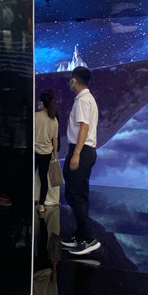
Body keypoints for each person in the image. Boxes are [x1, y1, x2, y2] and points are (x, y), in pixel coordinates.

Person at [61, 66, 100, 256]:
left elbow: (84, 127)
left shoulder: (83, 100)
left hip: (81, 150)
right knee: (78, 194)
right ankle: (80, 235)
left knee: (74, 194)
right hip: (84, 150)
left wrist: (76, 153)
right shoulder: (85, 99)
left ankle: (88, 239)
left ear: (74, 80)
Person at [35, 89, 59, 214]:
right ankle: (42, 205)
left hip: (34, 152)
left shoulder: (36, 116)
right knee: (43, 179)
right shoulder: (54, 120)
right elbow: (55, 139)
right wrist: (55, 154)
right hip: (47, 153)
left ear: (42, 103)